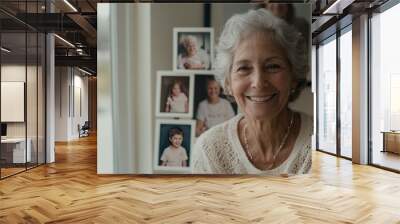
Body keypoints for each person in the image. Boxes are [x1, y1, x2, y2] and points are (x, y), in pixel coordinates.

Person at [191, 9, 312, 175]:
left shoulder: (325, 142)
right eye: (244, 68)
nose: (258, 82)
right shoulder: (209, 149)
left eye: (272, 66)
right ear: (228, 82)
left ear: (294, 76)